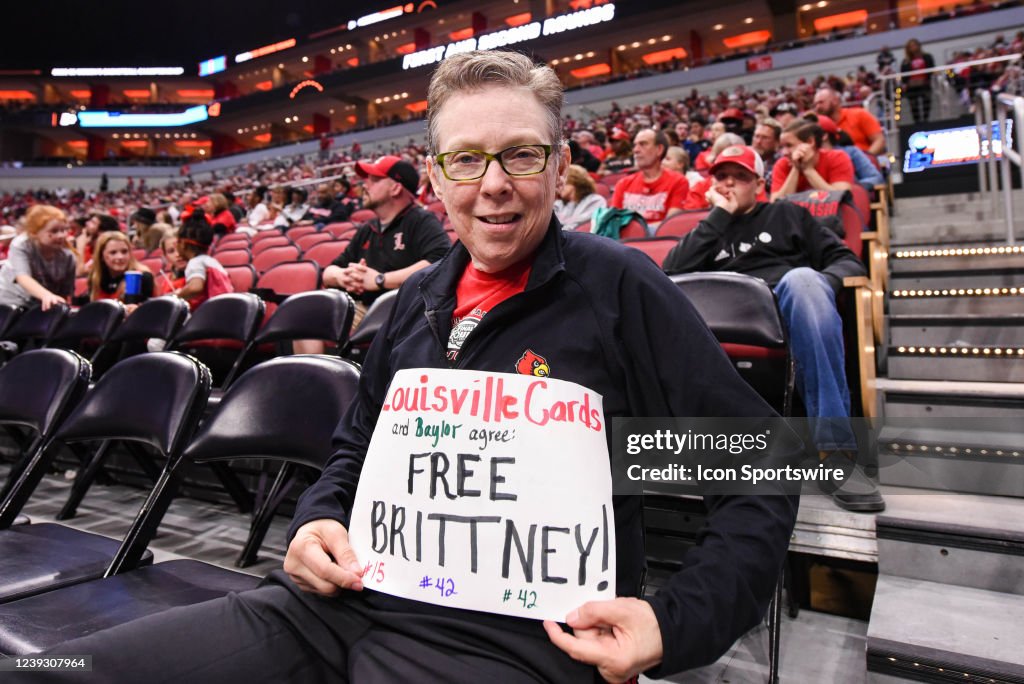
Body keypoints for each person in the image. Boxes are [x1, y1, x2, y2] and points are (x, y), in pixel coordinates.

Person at [31, 50, 797, 684]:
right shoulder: (414, 303)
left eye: (521, 154)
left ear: (558, 165)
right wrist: (316, 518)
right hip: (328, 613)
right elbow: (353, 450)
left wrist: (676, 621)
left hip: (518, 650)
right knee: (58, 670)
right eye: (467, 159)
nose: (493, 183)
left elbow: (767, 463)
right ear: (435, 179)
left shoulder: (617, 287)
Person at [663, 144, 884, 513]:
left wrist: (816, 289)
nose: (730, 183)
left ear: (759, 184)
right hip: (718, 321)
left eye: (741, 176)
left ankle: (837, 453)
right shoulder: (707, 227)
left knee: (803, 280)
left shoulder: (788, 215)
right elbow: (667, 274)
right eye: (722, 176)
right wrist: (718, 217)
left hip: (783, 306)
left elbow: (847, 262)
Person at [321, 155, 449, 328]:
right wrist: (343, 277)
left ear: (396, 188)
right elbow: (329, 271)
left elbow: (441, 262)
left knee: (313, 322)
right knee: (306, 315)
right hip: (364, 310)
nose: (364, 185)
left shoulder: (421, 220)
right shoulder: (368, 229)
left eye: (374, 180)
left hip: (405, 313)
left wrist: (380, 280)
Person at [0, 204, 75, 311]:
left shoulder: (68, 256)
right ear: (34, 232)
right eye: (54, 231)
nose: (61, 236)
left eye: (63, 230)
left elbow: (64, 293)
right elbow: (23, 277)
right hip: (9, 302)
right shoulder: (22, 244)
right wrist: (46, 295)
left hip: (41, 306)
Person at [609, 128, 689, 229]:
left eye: (643, 144)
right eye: (635, 145)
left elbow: (669, 226)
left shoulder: (678, 181)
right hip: (626, 243)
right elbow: (613, 225)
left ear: (659, 149)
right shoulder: (623, 184)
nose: (636, 150)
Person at [770, 120, 854, 201]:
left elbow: (841, 198)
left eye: (789, 145)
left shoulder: (837, 157)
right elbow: (775, 205)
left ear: (810, 142)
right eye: (782, 147)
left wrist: (808, 170)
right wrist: (796, 169)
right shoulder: (782, 164)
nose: (784, 153)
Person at [174, 210, 233, 310]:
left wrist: (178, 296)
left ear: (183, 243)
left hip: (212, 315)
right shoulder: (211, 261)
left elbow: (195, 288)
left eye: (177, 242)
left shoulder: (195, 262)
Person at [86, 231, 154, 311]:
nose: (120, 257)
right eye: (113, 253)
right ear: (101, 256)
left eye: (124, 252)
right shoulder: (95, 278)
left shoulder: (142, 277)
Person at [812, 87, 885, 156]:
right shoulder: (817, 126)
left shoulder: (859, 114)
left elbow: (879, 141)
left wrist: (866, 159)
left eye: (821, 102)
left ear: (835, 101)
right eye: (815, 104)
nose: (818, 107)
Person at [554, 164, 607, 231]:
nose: (558, 187)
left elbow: (580, 226)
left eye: (562, 183)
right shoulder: (559, 204)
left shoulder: (595, 200)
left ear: (574, 181)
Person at [901, 39, 936, 123]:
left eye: (915, 45)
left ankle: (925, 120)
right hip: (912, 86)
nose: (914, 48)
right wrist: (905, 84)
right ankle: (917, 122)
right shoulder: (906, 61)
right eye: (911, 46)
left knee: (926, 102)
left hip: (924, 83)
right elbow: (903, 74)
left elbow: (931, 68)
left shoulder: (927, 57)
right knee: (914, 105)